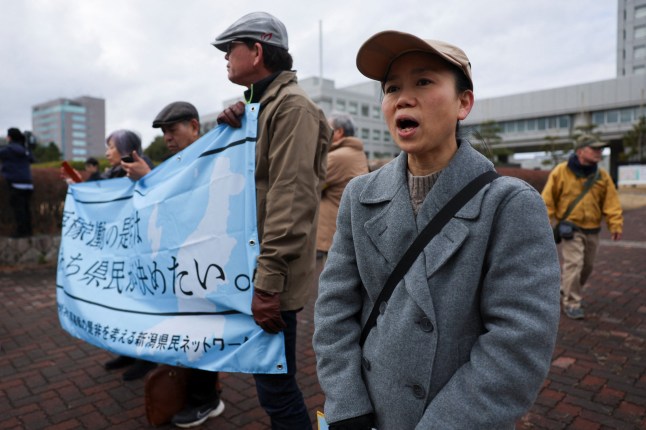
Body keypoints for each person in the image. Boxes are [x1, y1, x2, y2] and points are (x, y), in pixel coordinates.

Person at [312, 31, 561, 429]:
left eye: (424, 82)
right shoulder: (360, 196)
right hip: (369, 411)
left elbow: (518, 344)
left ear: (464, 102)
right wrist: (346, 404)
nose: (402, 98)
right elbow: (334, 307)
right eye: (392, 88)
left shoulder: (510, 204)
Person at [210, 11, 331, 430]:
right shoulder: (261, 107)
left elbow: (291, 198)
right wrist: (236, 123)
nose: (225, 58)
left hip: (269, 277)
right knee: (272, 386)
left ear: (257, 51)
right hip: (255, 268)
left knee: (277, 391)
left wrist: (268, 282)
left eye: (230, 50)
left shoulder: (293, 109)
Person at [122, 101, 228, 428]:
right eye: (164, 132)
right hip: (181, 268)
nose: (168, 137)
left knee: (201, 338)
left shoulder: (214, 157)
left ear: (195, 126)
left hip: (206, 267)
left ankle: (206, 400)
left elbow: (190, 208)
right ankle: (199, 395)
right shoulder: (176, 163)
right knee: (188, 337)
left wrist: (150, 178)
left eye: (173, 129)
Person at [541, 138, 623, 320]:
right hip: (571, 228)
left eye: (600, 150)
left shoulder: (602, 176)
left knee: (587, 266)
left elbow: (611, 202)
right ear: (580, 151)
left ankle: (567, 289)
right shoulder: (561, 171)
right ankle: (572, 302)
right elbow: (547, 199)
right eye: (594, 149)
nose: (598, 152)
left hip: (593, 229)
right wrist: (545, 221)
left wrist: (615, 224)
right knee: (575, 265)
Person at [316, 113, 369, 270]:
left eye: (325, 128)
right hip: (345, 231)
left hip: (328, 236)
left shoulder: (337, 157)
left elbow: (306, 187)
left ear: (338, 132)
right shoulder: (355, 153)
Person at [1, 128, 34, 238]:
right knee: (26, 208)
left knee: (19, 209)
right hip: (28, 183)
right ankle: (28, 231)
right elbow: (32, 159)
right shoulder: (25, 149)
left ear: (9, 137)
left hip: (16, 183)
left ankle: (21, 232)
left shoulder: (8, 150)